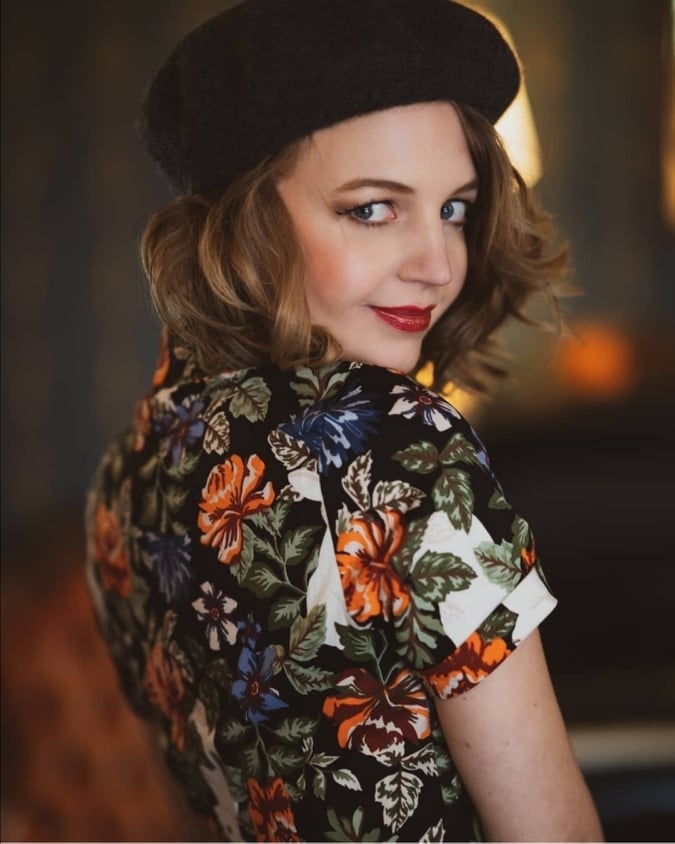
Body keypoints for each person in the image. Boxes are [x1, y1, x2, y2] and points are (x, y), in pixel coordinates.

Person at [85, 1, 604, 841]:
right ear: (245, 225)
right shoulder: (402, 446)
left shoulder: (121, 478)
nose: (437, 264)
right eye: (371, 209)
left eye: (454, 209)